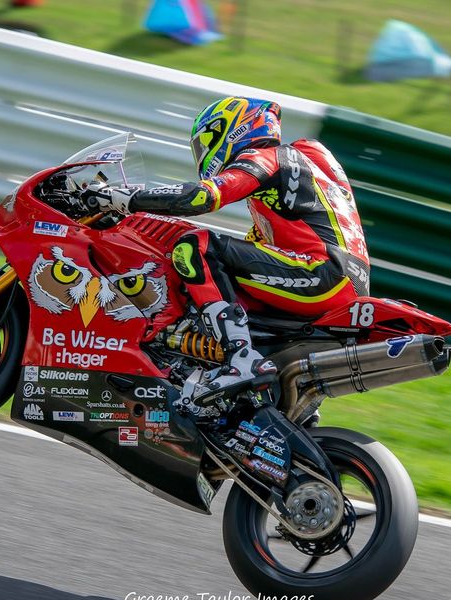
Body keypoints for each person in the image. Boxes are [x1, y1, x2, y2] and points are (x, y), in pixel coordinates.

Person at [83, 96, 370, 407]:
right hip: (344, 277)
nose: (203, 156)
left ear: (232, 131)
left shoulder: (268, 157)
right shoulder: (305, 165)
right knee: (219, 279)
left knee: (194, 246)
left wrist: (123, 197)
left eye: (205, 144)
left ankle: (240, 357)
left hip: (322, 273)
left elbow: (202, 197)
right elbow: (259, 248)